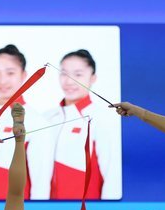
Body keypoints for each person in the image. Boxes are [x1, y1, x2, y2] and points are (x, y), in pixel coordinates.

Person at [35, 49, 122, 199]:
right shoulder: (46, 118)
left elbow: (112, 177)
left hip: (86, 209)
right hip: (46, 209)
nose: (69, 81)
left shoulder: (102, 119)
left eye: (78, 74)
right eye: (64, 73)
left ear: (92, 78)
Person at [0, 44, 47, 200]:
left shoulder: (36, 121)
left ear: (24, 75)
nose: (2, 80)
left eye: (10, 73)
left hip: (16, 208)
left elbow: (40, 183)